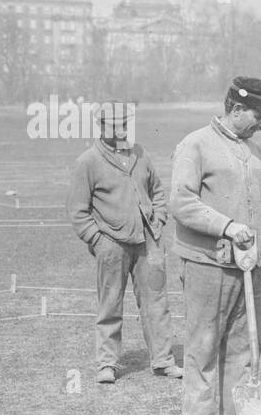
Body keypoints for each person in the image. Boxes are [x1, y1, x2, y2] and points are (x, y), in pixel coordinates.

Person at [170, 77, 261, 415]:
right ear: (236, 109)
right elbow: (182, 203)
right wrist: (227, 226)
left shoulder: (256, 153)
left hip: (250, 265)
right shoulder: (195, 145)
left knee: (243, 346)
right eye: (258, 116)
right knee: (204, 344)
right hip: (207, 262)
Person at [66, 100, 182, 385]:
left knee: (156, 303)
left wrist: (160, 218)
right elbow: (78, 211)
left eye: (124, 125)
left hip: (148, 241)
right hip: (112, 245)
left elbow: (156, 190)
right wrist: (98, 240)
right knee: (110, 304)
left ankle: (163, 360)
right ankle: (107, 364)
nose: (120, 130)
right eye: (113, 125)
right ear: (101, 126)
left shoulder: (140, 153)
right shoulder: (87, 162)